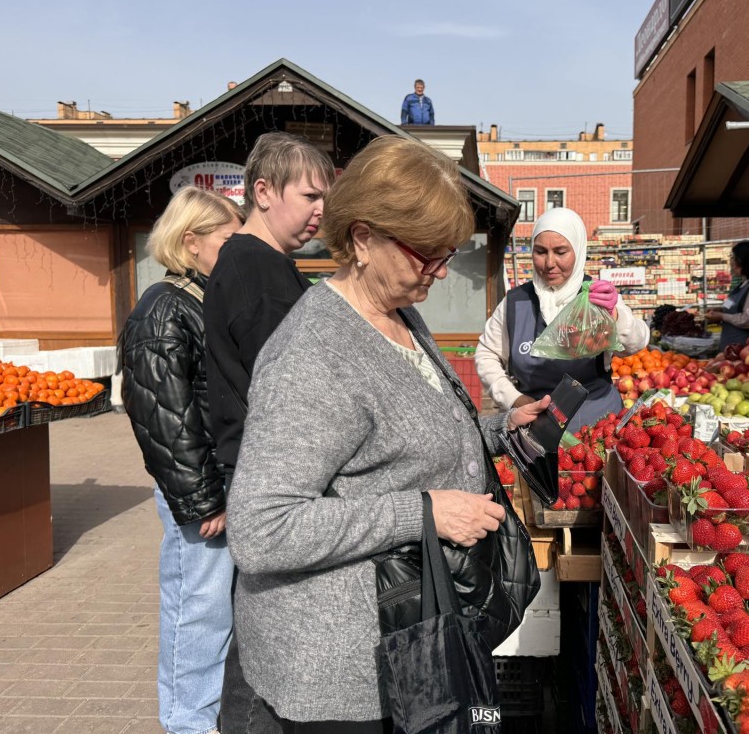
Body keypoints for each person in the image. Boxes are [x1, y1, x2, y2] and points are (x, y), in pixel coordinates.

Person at [224, 135, 549, 732]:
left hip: (411, 643)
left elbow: (405, 441)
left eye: (448, 253)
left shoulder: (400, 312)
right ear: (363, 238)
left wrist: (501, 428)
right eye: (426, 253)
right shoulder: (312, 353)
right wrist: (421, 513)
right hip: (341, 676)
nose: (442, 271)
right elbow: (261, 530)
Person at [204, 131, 336, 734]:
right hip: (274, 477)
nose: (320, 212)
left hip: (256, 470)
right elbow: (292, 391)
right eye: (310, 195)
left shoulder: (254, 263)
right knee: (266, 646)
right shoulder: (259, 273)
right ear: (262, 191)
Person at [121, 186, 245, 734]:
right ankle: (187, 724)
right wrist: (201, 500)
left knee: (214, 611)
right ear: (190, 241)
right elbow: (161, 419)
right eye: (229, 240)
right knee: (198, 611)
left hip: (216, 483)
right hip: (201, 492)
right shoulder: (163, 308)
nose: (238, 250)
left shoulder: (200, 299)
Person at [475, 207, 649, 432]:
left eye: (560, 251)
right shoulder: (516, 303)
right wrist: (513, 398)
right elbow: (487, 353)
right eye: (540, 251)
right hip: (536, 430)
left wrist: (615, 315)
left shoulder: (595, 296)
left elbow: (636, 342)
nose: (549, 263)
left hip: (598, 429)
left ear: (578, 250)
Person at [707, 240, 749, 350]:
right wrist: (720, 310)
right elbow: (733, 307)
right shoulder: (744, 284)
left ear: (746, 261)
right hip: (731, 351)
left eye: (735, 258)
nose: (732, 263)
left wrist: (722, 316)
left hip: (746, 352)